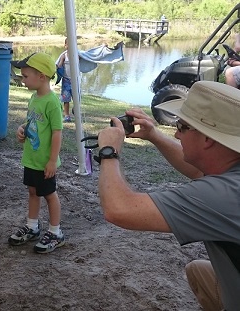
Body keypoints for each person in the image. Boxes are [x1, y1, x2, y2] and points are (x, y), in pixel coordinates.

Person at [96, 80, 240, 310]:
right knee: (199, 270)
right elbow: (198, 171)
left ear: (208, 138)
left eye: (182, 126)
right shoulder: (231, 170)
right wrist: (154, 135)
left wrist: (109, 152)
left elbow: (119, 209)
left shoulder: (226, 195)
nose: (176, 133)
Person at [8, 52, 65, 253]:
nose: (22, 80)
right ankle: (32, 227)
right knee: (32, 191)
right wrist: (22, 130)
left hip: (44, 162)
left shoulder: (52, 102)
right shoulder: (34, 98)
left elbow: (57, 133)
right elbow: (33, 122)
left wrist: (52, 161)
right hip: (31, 159)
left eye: (25, 76)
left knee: (49, 194)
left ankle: (55, 232)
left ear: (41, 76)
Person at [56, 38, 73, 122]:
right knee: (66, 99)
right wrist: (59, 65)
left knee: (77, 98)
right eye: (68, 44)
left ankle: (76, 112)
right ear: (65, 45)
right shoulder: (64, 56)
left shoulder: (77, 55)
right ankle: (67, 115)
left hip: (75, 81)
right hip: (66, 80)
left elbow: (87, 57)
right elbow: (59, 66)